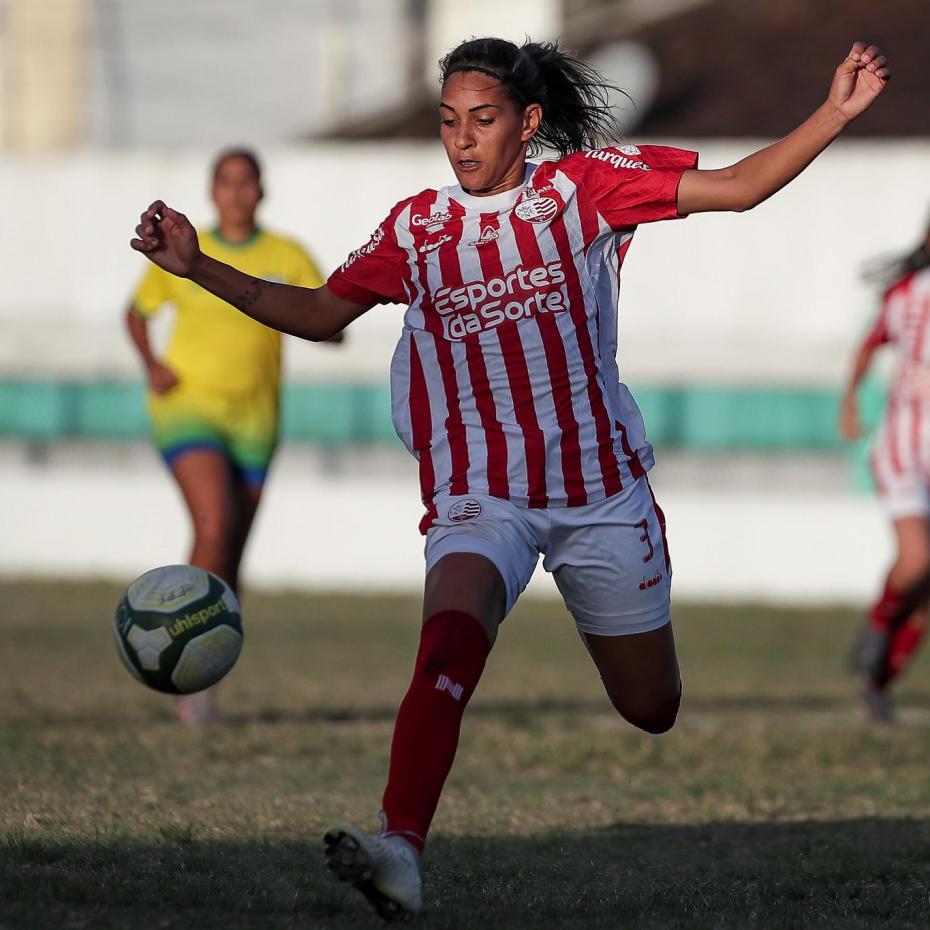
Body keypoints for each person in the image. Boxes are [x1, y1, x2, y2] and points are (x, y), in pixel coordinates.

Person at [129, 37, 889, 918]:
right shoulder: (417, 228)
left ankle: (437, 813)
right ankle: (400, 847)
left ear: (527, 124)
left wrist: (834, 112)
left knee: (651, 706)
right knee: (448, 639)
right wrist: (197, 268)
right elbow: (319, 313)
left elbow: (742, 185)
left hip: (599, 493)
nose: (462, 139)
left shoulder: (586, 190)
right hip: (478, 493)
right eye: (449, 121)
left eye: (482, 120)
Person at [126, 148, 337, 725]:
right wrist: (152, 364)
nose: (237, 192)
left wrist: (329, 327)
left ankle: (205, 674)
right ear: (212, 192)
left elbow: (324, 312)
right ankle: (171, 649)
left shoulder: (286, 254)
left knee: (232, 552)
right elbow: (137, 313)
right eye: (226, 181)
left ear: (261, 191)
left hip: (256, 420)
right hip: (188, 407)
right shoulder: (182, 250)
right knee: (213, 524)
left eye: (247, 182)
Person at [841, 220, 930, 724]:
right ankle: (877, 629)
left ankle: (876, 684)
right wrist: (851, 400)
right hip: (905, 447)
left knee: (926, 596)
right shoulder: (910, 292)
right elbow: (871, 341)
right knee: (917, 560)